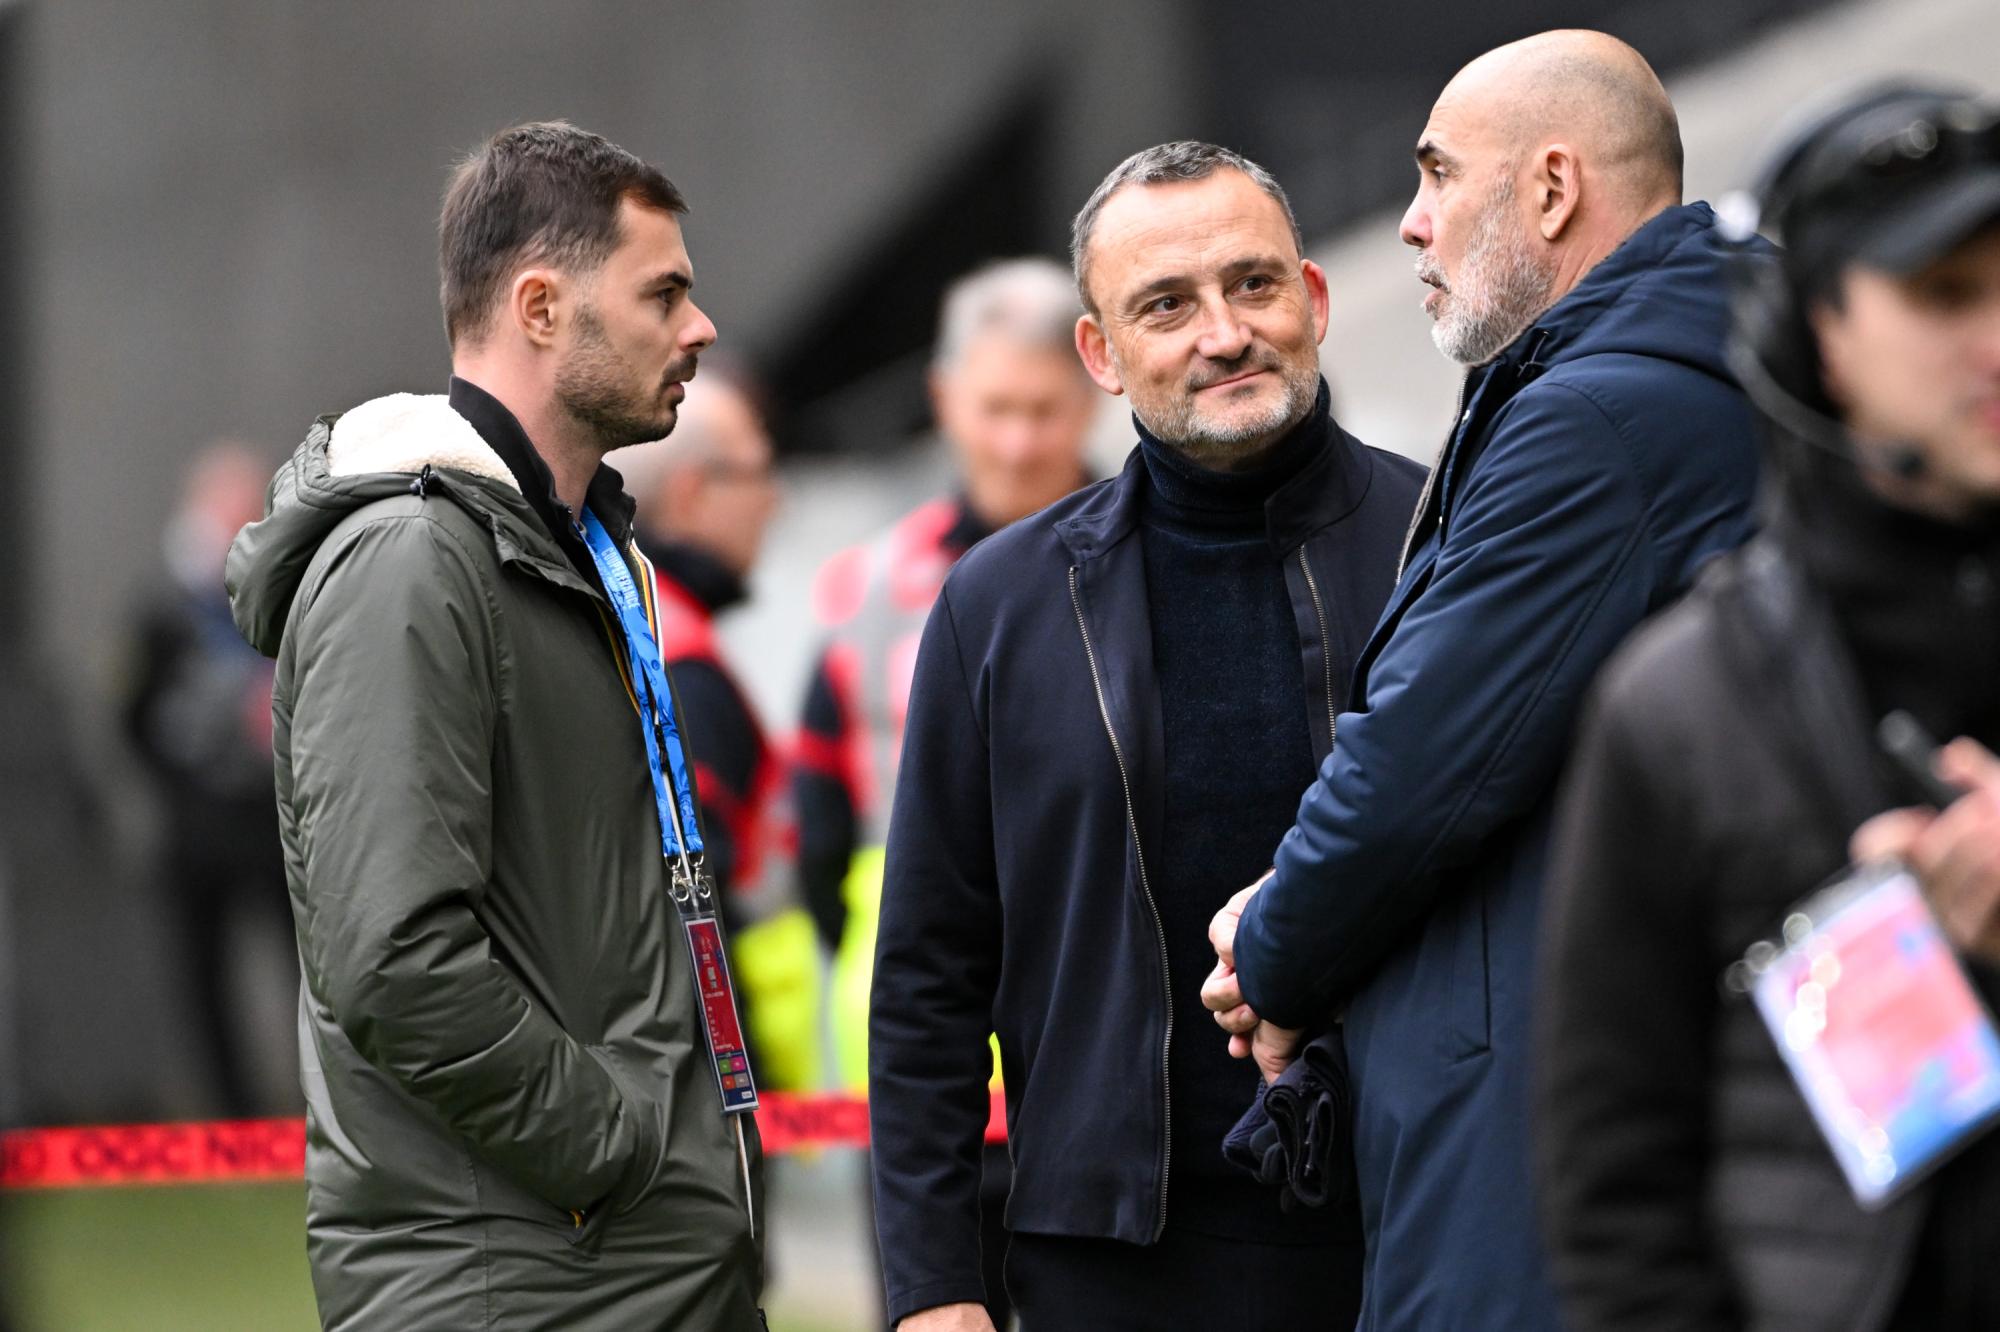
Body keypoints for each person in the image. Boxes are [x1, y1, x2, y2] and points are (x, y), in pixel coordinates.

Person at [1201, 30, 1761, 1329]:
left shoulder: (1599, 421)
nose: (1409, 224)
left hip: (1544, 1134)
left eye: (1438, 174)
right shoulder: (1653, 383)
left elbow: (1421, 766)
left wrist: (1275, 950)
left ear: (1553, 190)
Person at [870, 142, 1427, 1331]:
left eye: (1253, 285)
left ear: (1314, 300)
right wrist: (932, 1287)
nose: (1221, 334)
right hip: (1111, 1266)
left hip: (1410, 1232)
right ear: (1101, 356)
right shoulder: (998, 604)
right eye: (1164, 306)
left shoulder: (1450, 547)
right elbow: (927, 967)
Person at [224, 122, 763, 1330]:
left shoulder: (562, 551)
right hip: (526, 1281)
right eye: (664, 291)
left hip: (623, 1266)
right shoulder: (411, 563)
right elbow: (395, 960)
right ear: (538, 307)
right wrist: (618, 1151)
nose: (700, 328)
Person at [1536, 80, 2000, 1330]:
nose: (1995, 339)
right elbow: (1612, 1179)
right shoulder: (1684, 701)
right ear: (1818, 339)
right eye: (1943, 295)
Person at [794, 257, 1097, 1328]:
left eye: (1043, 411)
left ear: (1094, 384)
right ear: (942, 403)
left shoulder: (1158, 560)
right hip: (933, 1094)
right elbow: (818, 841)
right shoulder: (860, 595)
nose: (1018, 443)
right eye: (995, 410)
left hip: (1102, 1086)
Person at [608, 372, 822, 1094]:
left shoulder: (632, 622)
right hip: (699, 1095)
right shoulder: (679, 666)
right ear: (693, 491)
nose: (776, 498)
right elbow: (690, 917)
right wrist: (737, 1092)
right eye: (759, 472)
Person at [121, 441, 292, 1116]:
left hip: (270, 823)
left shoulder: (274, 595)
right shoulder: (165, 609)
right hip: (197, 829)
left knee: (301, 971)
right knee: (203, 980)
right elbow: (134, 719)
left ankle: (313, 1108)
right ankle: (231, 1116)